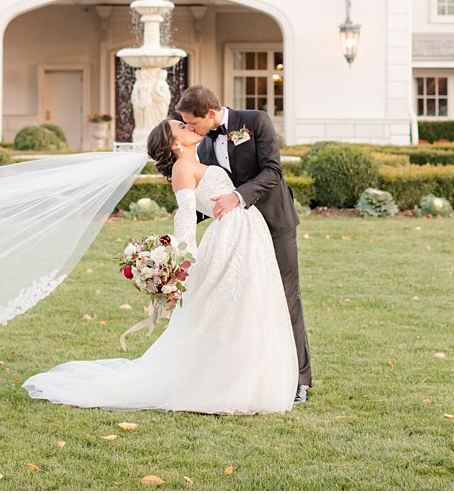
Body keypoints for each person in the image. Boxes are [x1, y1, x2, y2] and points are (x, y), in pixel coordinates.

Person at [22, 114, 298, 414]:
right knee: (227, 309)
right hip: (228, 240)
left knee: (249, 306)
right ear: (175, 144)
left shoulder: (201, 158)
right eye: (180, 127)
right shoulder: (182, 168)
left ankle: (248, 378)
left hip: (246, 233)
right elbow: (185, 218)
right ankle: (226, 384)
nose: (187, 126)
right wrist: (182, 263)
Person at [174, 84, 311, 403]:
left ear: (210, 113)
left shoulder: (256, 121)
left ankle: (300, 380)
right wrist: (179, 232)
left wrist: (237, 197)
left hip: (274, 223)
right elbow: (210, 195)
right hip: (239, 237)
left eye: (192, 123)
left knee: (287, 295)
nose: (190, 129)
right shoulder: (204, 145)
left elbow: (272, 171)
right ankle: (248, 374)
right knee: (246, 303)